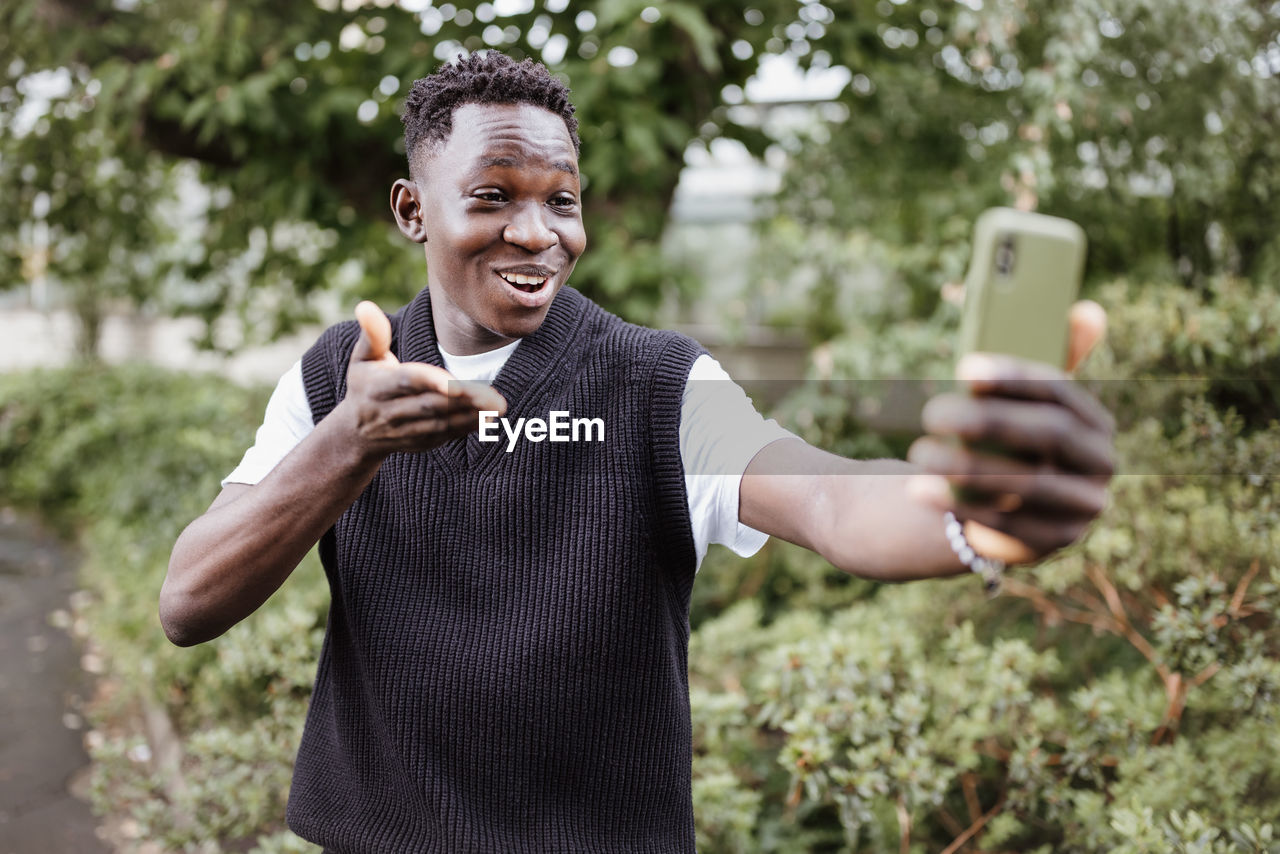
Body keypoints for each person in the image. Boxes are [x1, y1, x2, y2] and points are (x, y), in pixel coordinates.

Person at [161, 52, 1114, 853]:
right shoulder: (339, 376)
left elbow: (826, 500)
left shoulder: (655, 383)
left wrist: (969, 515)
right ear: (414, 210)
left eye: (561, 200)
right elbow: (189, 602)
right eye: (493, 196)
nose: (537, 233)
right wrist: (350, 446)